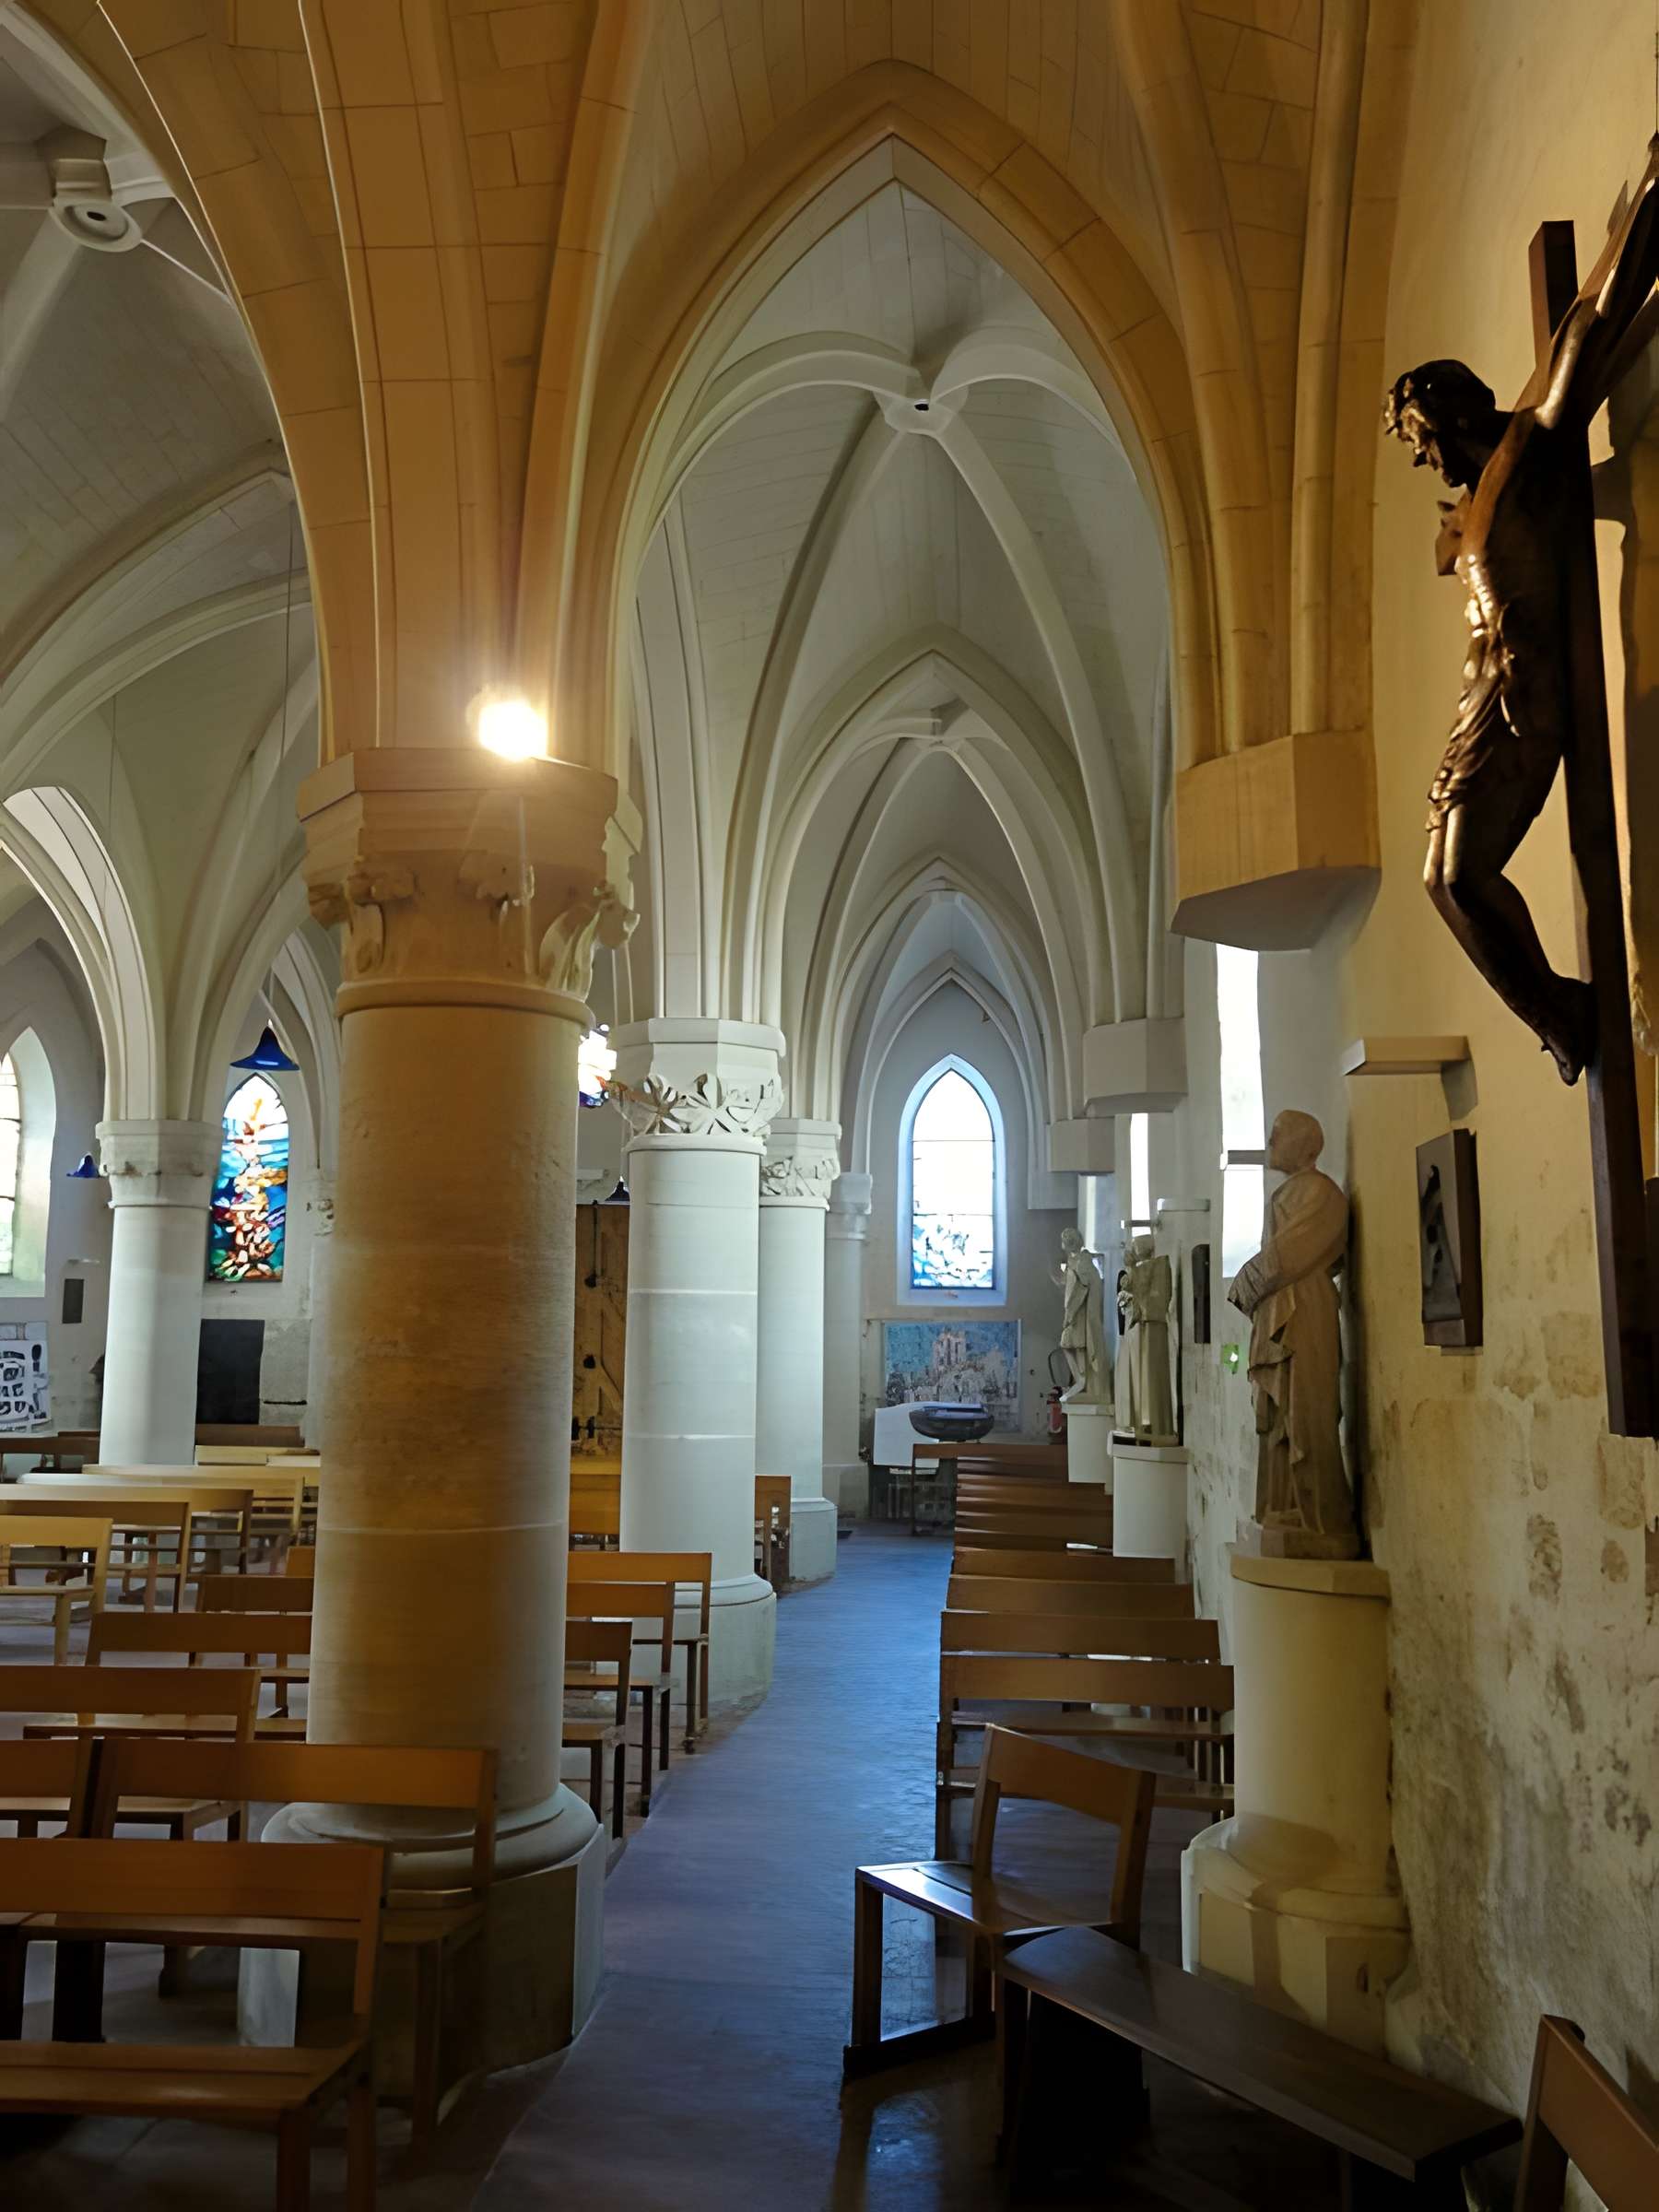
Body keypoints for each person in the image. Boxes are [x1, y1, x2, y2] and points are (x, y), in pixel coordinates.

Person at [1383, 136, 1659, 1083]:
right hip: (1480, 709)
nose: (1424, 461)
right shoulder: (1471, 507)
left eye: (1422, 439)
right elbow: (1458, 537)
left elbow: (1594, 318)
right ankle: (1563, 1013)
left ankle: (1567, 1017)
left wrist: (1653, 194)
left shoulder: (1533, 447)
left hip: (1523, 699)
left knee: (1457, 875)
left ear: (1460, 415)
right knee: (1438, 879)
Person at [1229, 1110, 1355, 1550]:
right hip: (1280, 1309)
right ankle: (1286, 1506)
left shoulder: (1321, 1194)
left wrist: (1245, 1282)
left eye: (1277, 1136)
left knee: (1309, 1415)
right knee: (1281, 1417)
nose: (1269, 1143)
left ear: (1306, 1146)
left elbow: (1291, 1254)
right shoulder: (1291, 1192)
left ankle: (1323, 1518)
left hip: (1304, 1313)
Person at [1052, 1228, 1106, 1405]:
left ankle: (1083, 1381)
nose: (1062, 1245)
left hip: (1080, 1314)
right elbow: (1069, 1285)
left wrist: (1071, 1313)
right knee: (1068, 1345)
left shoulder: (1083, 1261)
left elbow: (1081, 1289)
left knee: (1078, 1346)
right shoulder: (1073, 1260)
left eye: (1064, 1241)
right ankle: (1080, 1379)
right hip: (1073, 1311)